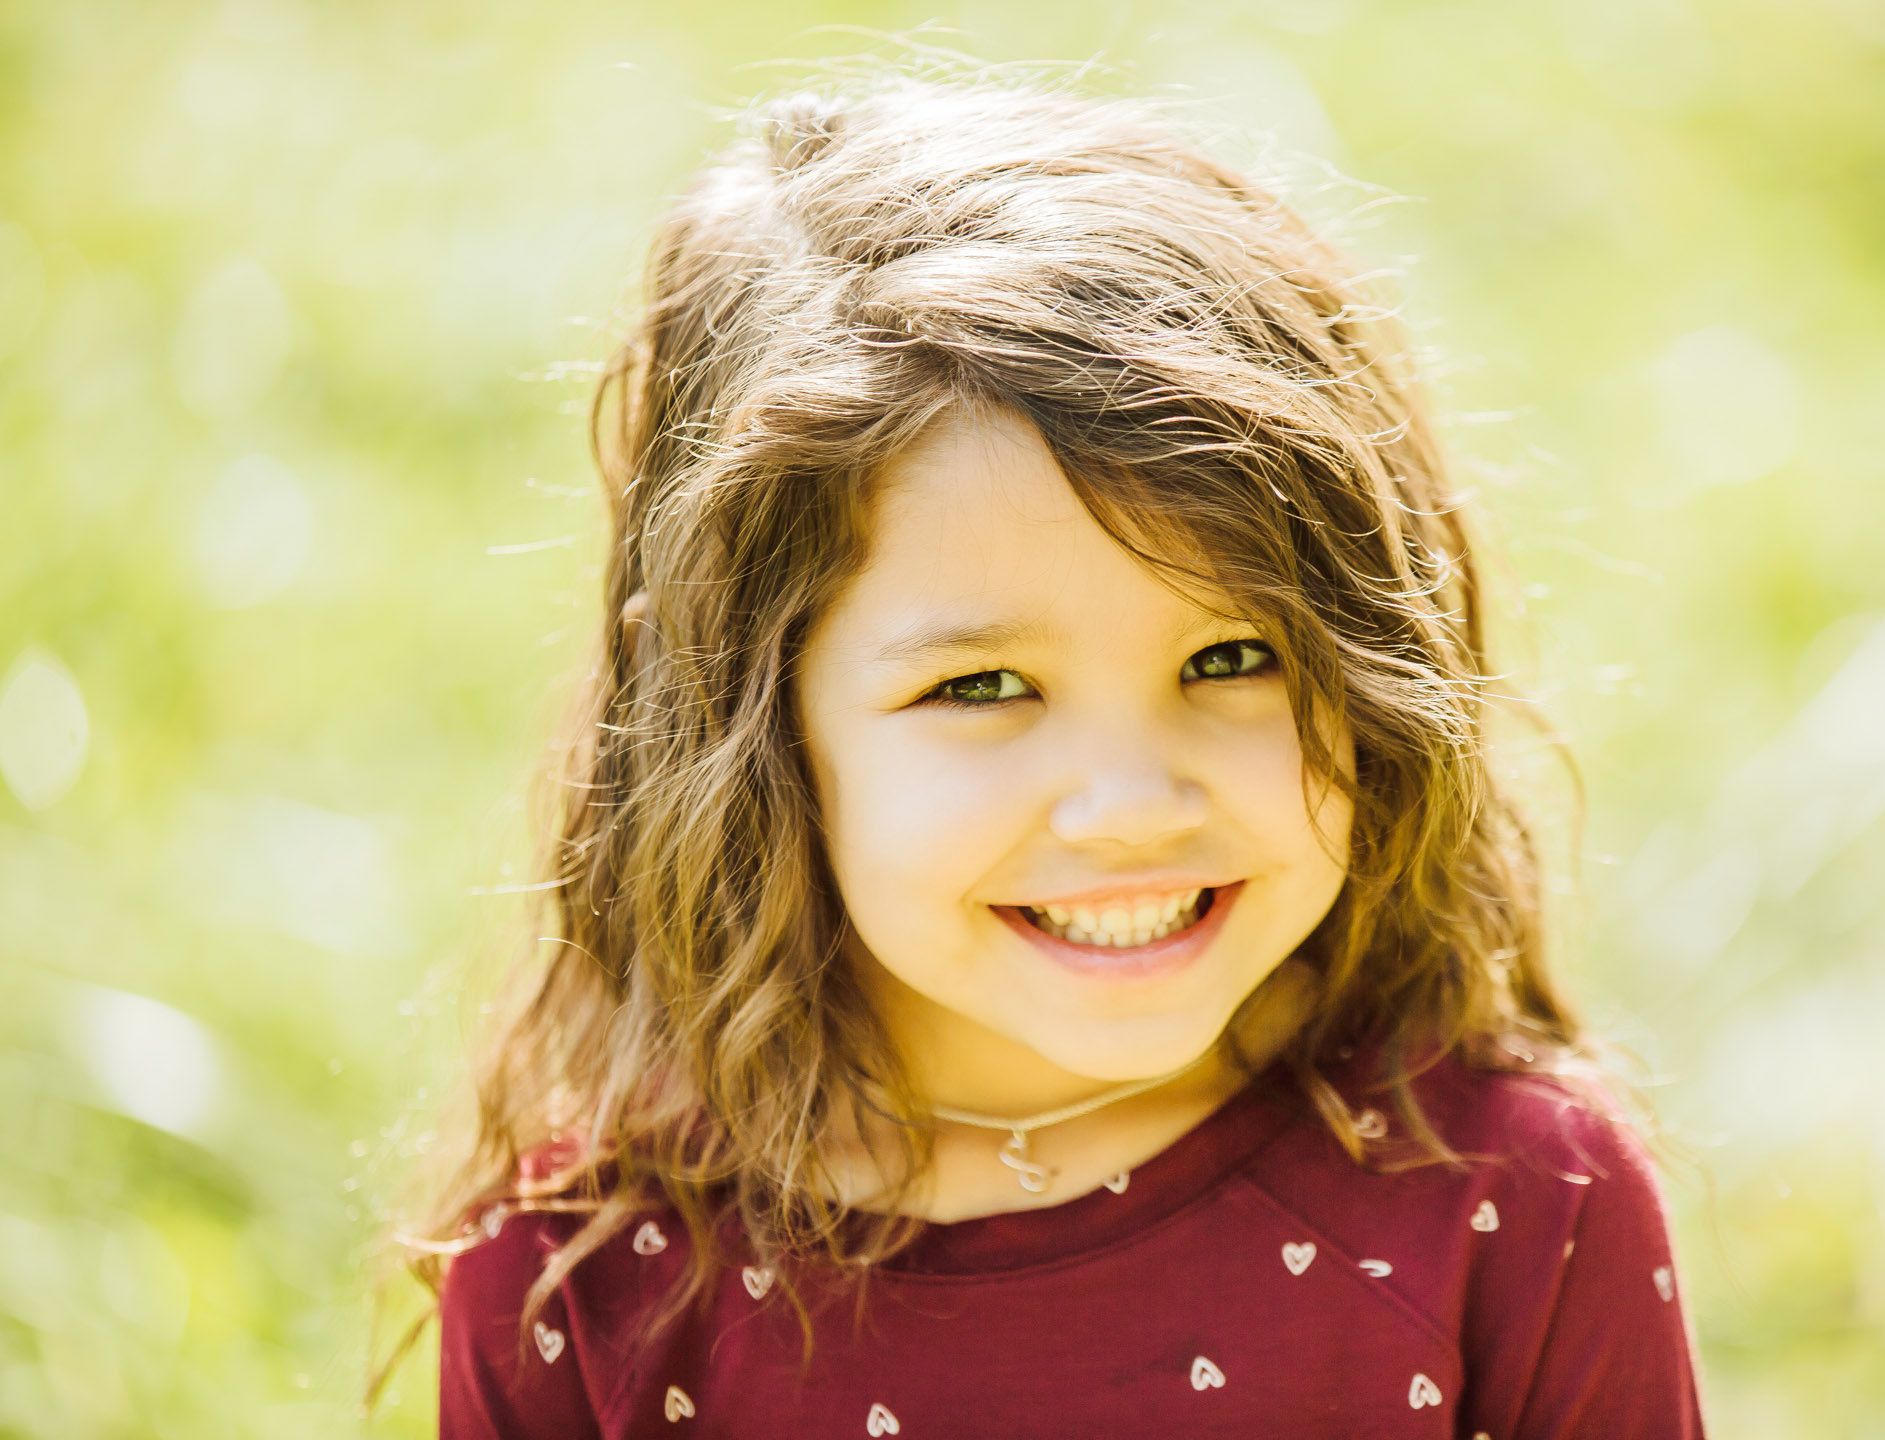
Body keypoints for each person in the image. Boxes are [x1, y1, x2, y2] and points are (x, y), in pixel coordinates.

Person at [410, 72, 1705, 1438]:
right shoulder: (587, 1292)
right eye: (983, 686)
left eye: (1232, 659)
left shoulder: (1510, 1201)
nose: (1134, 804)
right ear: (740, 709)